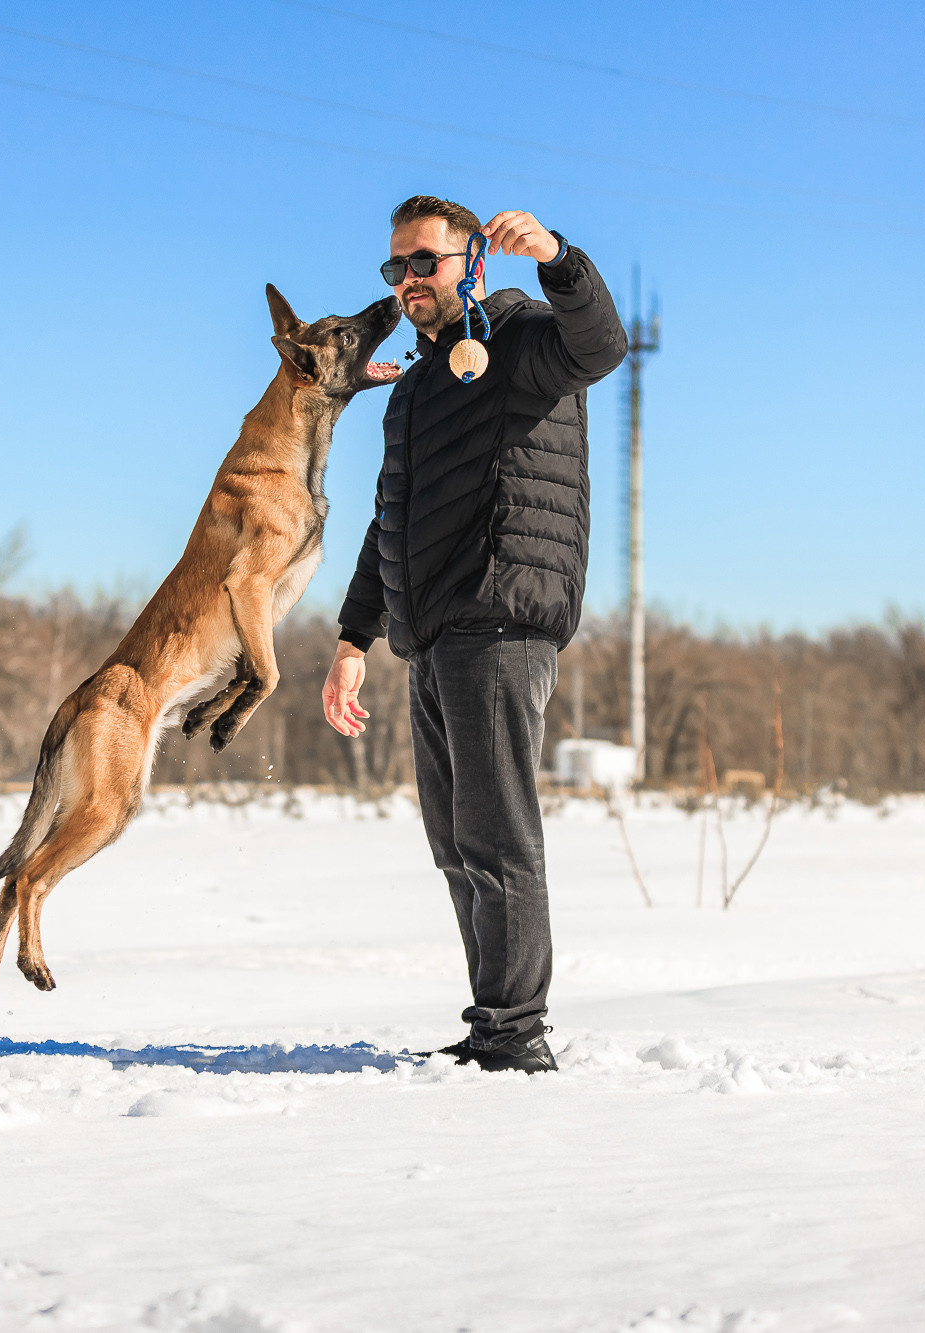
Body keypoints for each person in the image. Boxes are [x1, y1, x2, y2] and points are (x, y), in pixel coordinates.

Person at [322, 195, 628, 1074]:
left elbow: (599, 346)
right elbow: (391, 521)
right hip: (430, 637)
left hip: (501, 622)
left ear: (473, 263)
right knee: (456, 844)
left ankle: (515, 1030)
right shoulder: (414, 389)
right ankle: (492, 1015)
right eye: (396, 268)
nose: (410, 281)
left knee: (498, 838)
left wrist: (562, 257)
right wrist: (354, 638)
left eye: (426, 262)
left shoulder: (525, 338)